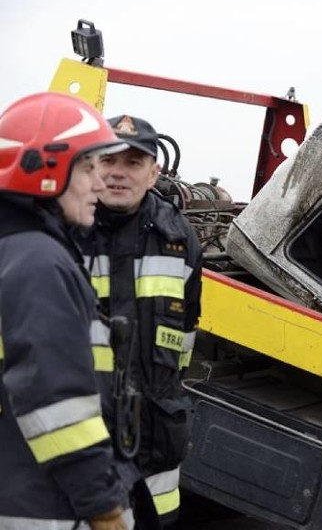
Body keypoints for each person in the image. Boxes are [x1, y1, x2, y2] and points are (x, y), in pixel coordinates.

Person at [0, 93, 134, 529]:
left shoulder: (16, 252)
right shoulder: (40, 262)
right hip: (44, 509)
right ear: (46, 170)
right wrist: (107, 511)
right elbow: (59, 407)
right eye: (89, 167)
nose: (100, 183)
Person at [77, 114, 202, 527]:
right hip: (79, 443)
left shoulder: (179, 239)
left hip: (153, 447)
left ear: (154, 173)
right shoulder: (62, 230)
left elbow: (185, 336)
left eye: (133, 163)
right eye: (108, 159)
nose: (117, 172)